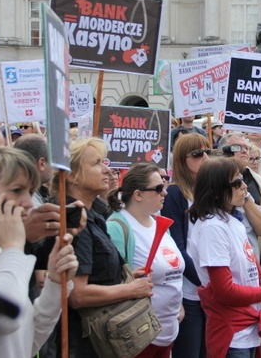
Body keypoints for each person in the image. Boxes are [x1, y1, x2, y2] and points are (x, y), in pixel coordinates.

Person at [0, 146, 79, 357]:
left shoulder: (2, 256)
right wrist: (13, 247)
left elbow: (27, 343)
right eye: (16, 190)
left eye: (30, 192)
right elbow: (4, 319)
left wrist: (55, 284)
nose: (27, 203)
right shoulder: (8, 255)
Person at [61, 137, 155, 357]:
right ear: (72, 176)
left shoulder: (94, 214)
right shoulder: (75, 220)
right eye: (96, 164)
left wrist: (126, 276)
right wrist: (129, 289)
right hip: (85, 344)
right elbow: (78, 295)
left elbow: (96, 273)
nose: (107, 170)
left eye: (104, 162)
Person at [188, 157, 261, 358]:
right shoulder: (212, 228)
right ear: (217, 190)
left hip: (250, 328)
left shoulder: (234, 222)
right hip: (232, 334)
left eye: (242, 180)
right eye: (236, 183)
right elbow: (225, 291)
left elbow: (252, 271)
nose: (244, 187)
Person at [107, 162, 184, 357]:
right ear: (138, 194)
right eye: (158, 188)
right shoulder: (117, 227)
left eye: (164, 185)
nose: (164, 192)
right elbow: (112, 283)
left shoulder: (159, 223)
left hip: (168, 331)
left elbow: (171, 269)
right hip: (138, 335)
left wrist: (178, 304)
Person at [160, 133, 211, 358]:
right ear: (182, 159)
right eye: (198, 154)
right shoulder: (174, 193)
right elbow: (177, 246)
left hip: (210, 290)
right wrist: (205, 280)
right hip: (189, 291)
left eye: (208, 151)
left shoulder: (208, 195)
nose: (206, 157)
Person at [220, 132, 261, 260]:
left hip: (253, 258)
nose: (244, 151)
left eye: (247, 148)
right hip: (226, 255)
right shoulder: (214, 181)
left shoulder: (258, 180)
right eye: (237, 147)